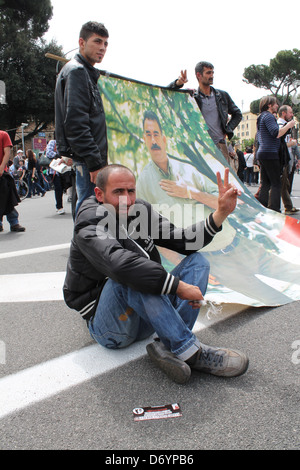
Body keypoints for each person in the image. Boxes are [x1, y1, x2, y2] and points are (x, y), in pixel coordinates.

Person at [63, 163, 249, 384]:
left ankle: (167, 343)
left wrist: (220, 214)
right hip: (113, 327)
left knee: (197, 263)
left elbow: (182, 240)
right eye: (118, 192)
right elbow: (120, 264)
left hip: (145, 315)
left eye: (130, 191)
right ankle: (190, 352)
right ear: (99, 194)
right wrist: (177, 286)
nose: (127, 199)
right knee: (131, 276)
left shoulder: (139, 210)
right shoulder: (89, 221)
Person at [55, 21, 109, 216]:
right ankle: (81, 247)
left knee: (89, 207)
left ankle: (83, 245)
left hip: (87, 158)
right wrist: (95, 162)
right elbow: (76, 124)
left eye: (105, 43)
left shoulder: (82, 71)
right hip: (88, 160)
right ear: (82, 42)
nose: (102, 48)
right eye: (97, 41)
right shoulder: (77, 71)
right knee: (89, 209)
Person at [169, 62, 242, 172]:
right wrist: (178, 83)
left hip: (220, 145)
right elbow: (167, 92)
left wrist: (227, 130)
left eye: (212, 73)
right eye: (208, 73)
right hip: (201, 146)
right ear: (199, 75)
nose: (211, 76)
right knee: (203, 181)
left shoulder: (222, 96)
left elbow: (238, 114)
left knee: (224, 178)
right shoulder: (192, 96)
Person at [256, 96, 295, 213]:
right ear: (269, 105)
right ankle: (274, 209)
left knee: (265, 183)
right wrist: (288, 125)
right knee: (276, 183)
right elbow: (276, 133)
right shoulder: (268, 116)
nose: (277, 106)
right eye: (275, 104)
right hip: (270, 153)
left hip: (262, 152)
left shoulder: (260, 117)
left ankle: (262, 208)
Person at [0, 130, 25, 232]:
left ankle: (14, 222)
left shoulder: (3, 134)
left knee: (8, 199)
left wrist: (1, 167)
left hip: (2, 173)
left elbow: (7, 152)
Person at [277, 105, 299, 215]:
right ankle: (285, 207)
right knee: (280, 183)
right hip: (281, 158)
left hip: (285, 158)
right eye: (290, 112)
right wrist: (292, 143)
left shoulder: (284, 125)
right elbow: (280, 143)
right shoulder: (281, 125)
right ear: (283, 113)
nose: (292, 115)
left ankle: (288, 206)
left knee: (284, 183)